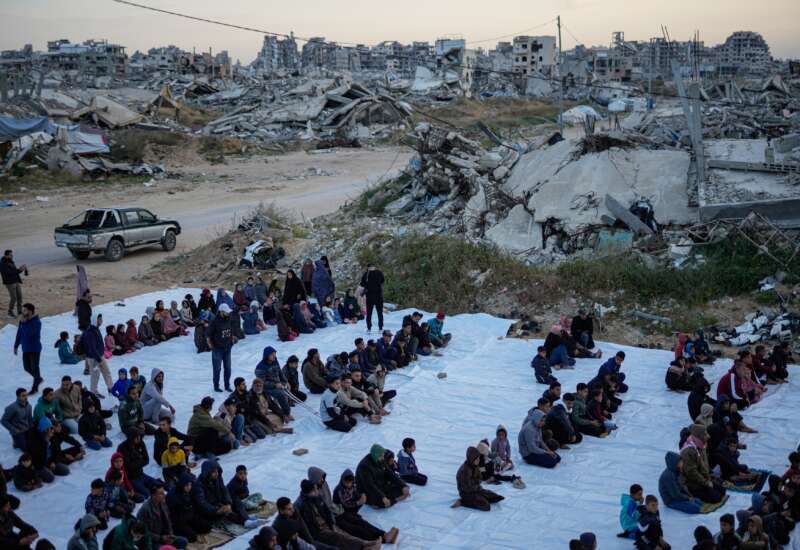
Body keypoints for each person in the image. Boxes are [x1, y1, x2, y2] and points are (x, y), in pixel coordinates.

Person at [295, 479, 377, 550]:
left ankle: (365, 543)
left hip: (326, 524)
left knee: (344, 534)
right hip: (318, 531)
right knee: (339, 538)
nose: (317, 491)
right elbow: (305, 526)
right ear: (310, 492)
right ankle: (363, 546)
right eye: (315, 490)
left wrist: (331, 523)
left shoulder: (316, 497)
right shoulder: (302, 505)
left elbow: (327, 510)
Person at [332, 469, 399, 545]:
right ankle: (381, 539)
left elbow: (357, 493)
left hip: (348, 512)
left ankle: (384, 534)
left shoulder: (352, 486)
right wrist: (358, 502)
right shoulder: (339, 490)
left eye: (350, 482)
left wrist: (362, 496)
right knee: (357, 529)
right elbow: (346, 504)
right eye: (346, 482)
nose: (348, 484)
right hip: (341, 513)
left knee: (364, 523)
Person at [193, 459, 256, 528]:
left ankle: (246, 518)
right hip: (211, 508)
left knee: (235, 500)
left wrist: (228, 502)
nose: (216, 473)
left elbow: (224, 490)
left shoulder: (218, 477)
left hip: (220, 502)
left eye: (217, 471)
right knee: (226, 513)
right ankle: (245, 521)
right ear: (208, 472)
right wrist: (217, 510)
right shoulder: (199, 485)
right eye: (214, 472)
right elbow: (202, 503)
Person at [680, 424, 726, 504]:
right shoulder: (689, 451)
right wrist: (706, 482)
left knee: (722, 491)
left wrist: (709, 477)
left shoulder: (701, 445)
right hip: (692, 483)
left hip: (704, 478)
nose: (708, 436)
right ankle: (692, 494)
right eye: (705, 434)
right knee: (716, 498)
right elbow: (692, 473)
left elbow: (704, 464)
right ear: (699, 436)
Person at [355, 444, 409, 508]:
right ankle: (380, 502)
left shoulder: (380, 459)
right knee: (382, 502)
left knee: (401, 489)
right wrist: (382, 497)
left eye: (383, 455)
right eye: (381, 456)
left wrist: (403, 485)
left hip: (380, 484)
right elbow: (369, 486)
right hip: (368, 490)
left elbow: (390, 473)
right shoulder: (364, 467)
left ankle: (388, 501)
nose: (383, 458)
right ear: (376, 455)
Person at [453, 446, 504, 512]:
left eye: (479, 458)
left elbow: (480, 478)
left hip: (476, 489)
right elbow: (468, 487)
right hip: (466, 493)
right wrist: (477, 483)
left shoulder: (475, 466)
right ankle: (462, 502)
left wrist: (478, 483)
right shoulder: (464, 470)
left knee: (494, 496)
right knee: (486, 506)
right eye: (476, 459)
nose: (478, 460)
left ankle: (481, 498)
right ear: (472, 459)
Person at [137, 483, 187, 549]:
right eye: (161, 493)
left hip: (164, 535)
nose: (164, 495)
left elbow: (168, 520)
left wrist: (170, 534)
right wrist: (160, 538)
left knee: (183, 541)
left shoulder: (162, 503)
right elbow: (143, 532)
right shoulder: (144, 510)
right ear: (153, 495)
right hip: (152, 541)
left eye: (163, 492)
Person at [167, 473, 211, 544]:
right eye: (187, 485)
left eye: (190, 485)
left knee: (207, 526)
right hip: (178, 522)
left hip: (188, 517)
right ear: (182, 484)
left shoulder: (186, 492)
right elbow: (174, 516)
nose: (189, 487)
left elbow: (191, 507)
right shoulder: (173, 496)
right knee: (192, 537)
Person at [118, 427, 158, 500]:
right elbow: (128, 466)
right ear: (131, 438)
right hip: (131, 478)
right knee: (147, 494)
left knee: (158, 486)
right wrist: (140, 460)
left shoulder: (141, 443)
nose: (139, 438)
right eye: (137, 437)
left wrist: (137, 462)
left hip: (141, 473)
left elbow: (146, 460)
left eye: (139, 436)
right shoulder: (122, 448)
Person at [255, 346, 293, 421]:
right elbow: (262, 382)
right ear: (267, 356)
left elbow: (280, 373)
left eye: (275, 354)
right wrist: (275, 385)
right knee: (281, 394)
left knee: (286, 390)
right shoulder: (260, 367)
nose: (274, 356)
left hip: (278, 384)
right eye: (272, 354)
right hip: (267, 388)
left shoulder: (275, 361)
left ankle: (286, 411)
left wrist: (285, 381)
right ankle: (286, 413)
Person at [27, 417, 69, 482]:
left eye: (51, 428)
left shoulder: (52, 436)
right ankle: (36, 473)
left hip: (49, 460)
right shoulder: (34, 440)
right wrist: (45, 442)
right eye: (49, 429)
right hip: (38, 464)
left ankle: (48, 470)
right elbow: (38, 459)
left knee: (65, 470)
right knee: (50, 478)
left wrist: (54, 462)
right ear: (44, 430)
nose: (52, 430)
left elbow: (58, 451)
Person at [82, 316, 114, 398]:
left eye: (101, 319)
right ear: (94, 320)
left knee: (107, 372)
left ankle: (111, 388)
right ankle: (93, 393)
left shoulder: (96, 328)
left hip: (99, 356)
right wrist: (99, 360)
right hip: (94, 358)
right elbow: (92, 348)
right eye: (99, 319)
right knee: (95, 376)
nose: (101, 321)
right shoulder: (90, 332)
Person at [14, 303, 43, 394]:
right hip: (25, 348)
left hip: (34, 349)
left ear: (30, 311)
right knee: (26, 367)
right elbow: (20, 333)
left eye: (25, 310)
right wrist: (16, 345)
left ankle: (35, 388)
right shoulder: (23, 321)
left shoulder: (36, 322)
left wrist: (25, 323)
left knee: (34, 368)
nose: (23, 312)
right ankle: (38, 378)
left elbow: (30, 333)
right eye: (23, 310)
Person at [208, 303, 236, 392]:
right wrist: (211, 346)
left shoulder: (229, 318)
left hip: (227, 348)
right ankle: (216, 386)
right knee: (217, 369)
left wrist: (232, 339)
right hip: (217, 349)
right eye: (226, 312)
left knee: (228, 368)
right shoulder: (214, 321)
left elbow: (230, 329)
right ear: (221, 312)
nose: (228, 313)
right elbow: (208, 335)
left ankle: (227, 385)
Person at [359, 264, 384, 332]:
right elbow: (382, 281)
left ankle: (369, 328)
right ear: (374, 267)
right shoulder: (379, 272)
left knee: (369, 313)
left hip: (369, 296)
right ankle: (380, 328)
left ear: (368, 268)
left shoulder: (366, 274)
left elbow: (362, 284)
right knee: (380, 313)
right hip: (378, 295)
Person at [1, 250, 26, 318]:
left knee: (19, 297)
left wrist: (21, 270)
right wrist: (19, 270)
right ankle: (10, 311)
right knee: (14, 298)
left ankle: (19, 311)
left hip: (16, 281)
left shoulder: (10, 261)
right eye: (10, 255)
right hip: (9, 283)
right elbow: (8, 272)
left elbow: (14, 271)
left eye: (12, 255)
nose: (12, 256)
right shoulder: (2, 263)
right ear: (6, 255)